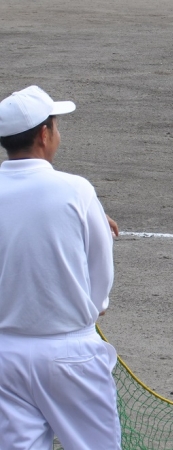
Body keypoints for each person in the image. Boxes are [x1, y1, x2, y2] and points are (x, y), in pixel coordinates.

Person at [0, 85, 120, 449]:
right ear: (43, 134)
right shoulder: (75, 189)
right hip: (70, 352)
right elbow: (101, 266)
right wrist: (93, 307)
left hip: (5, 355)